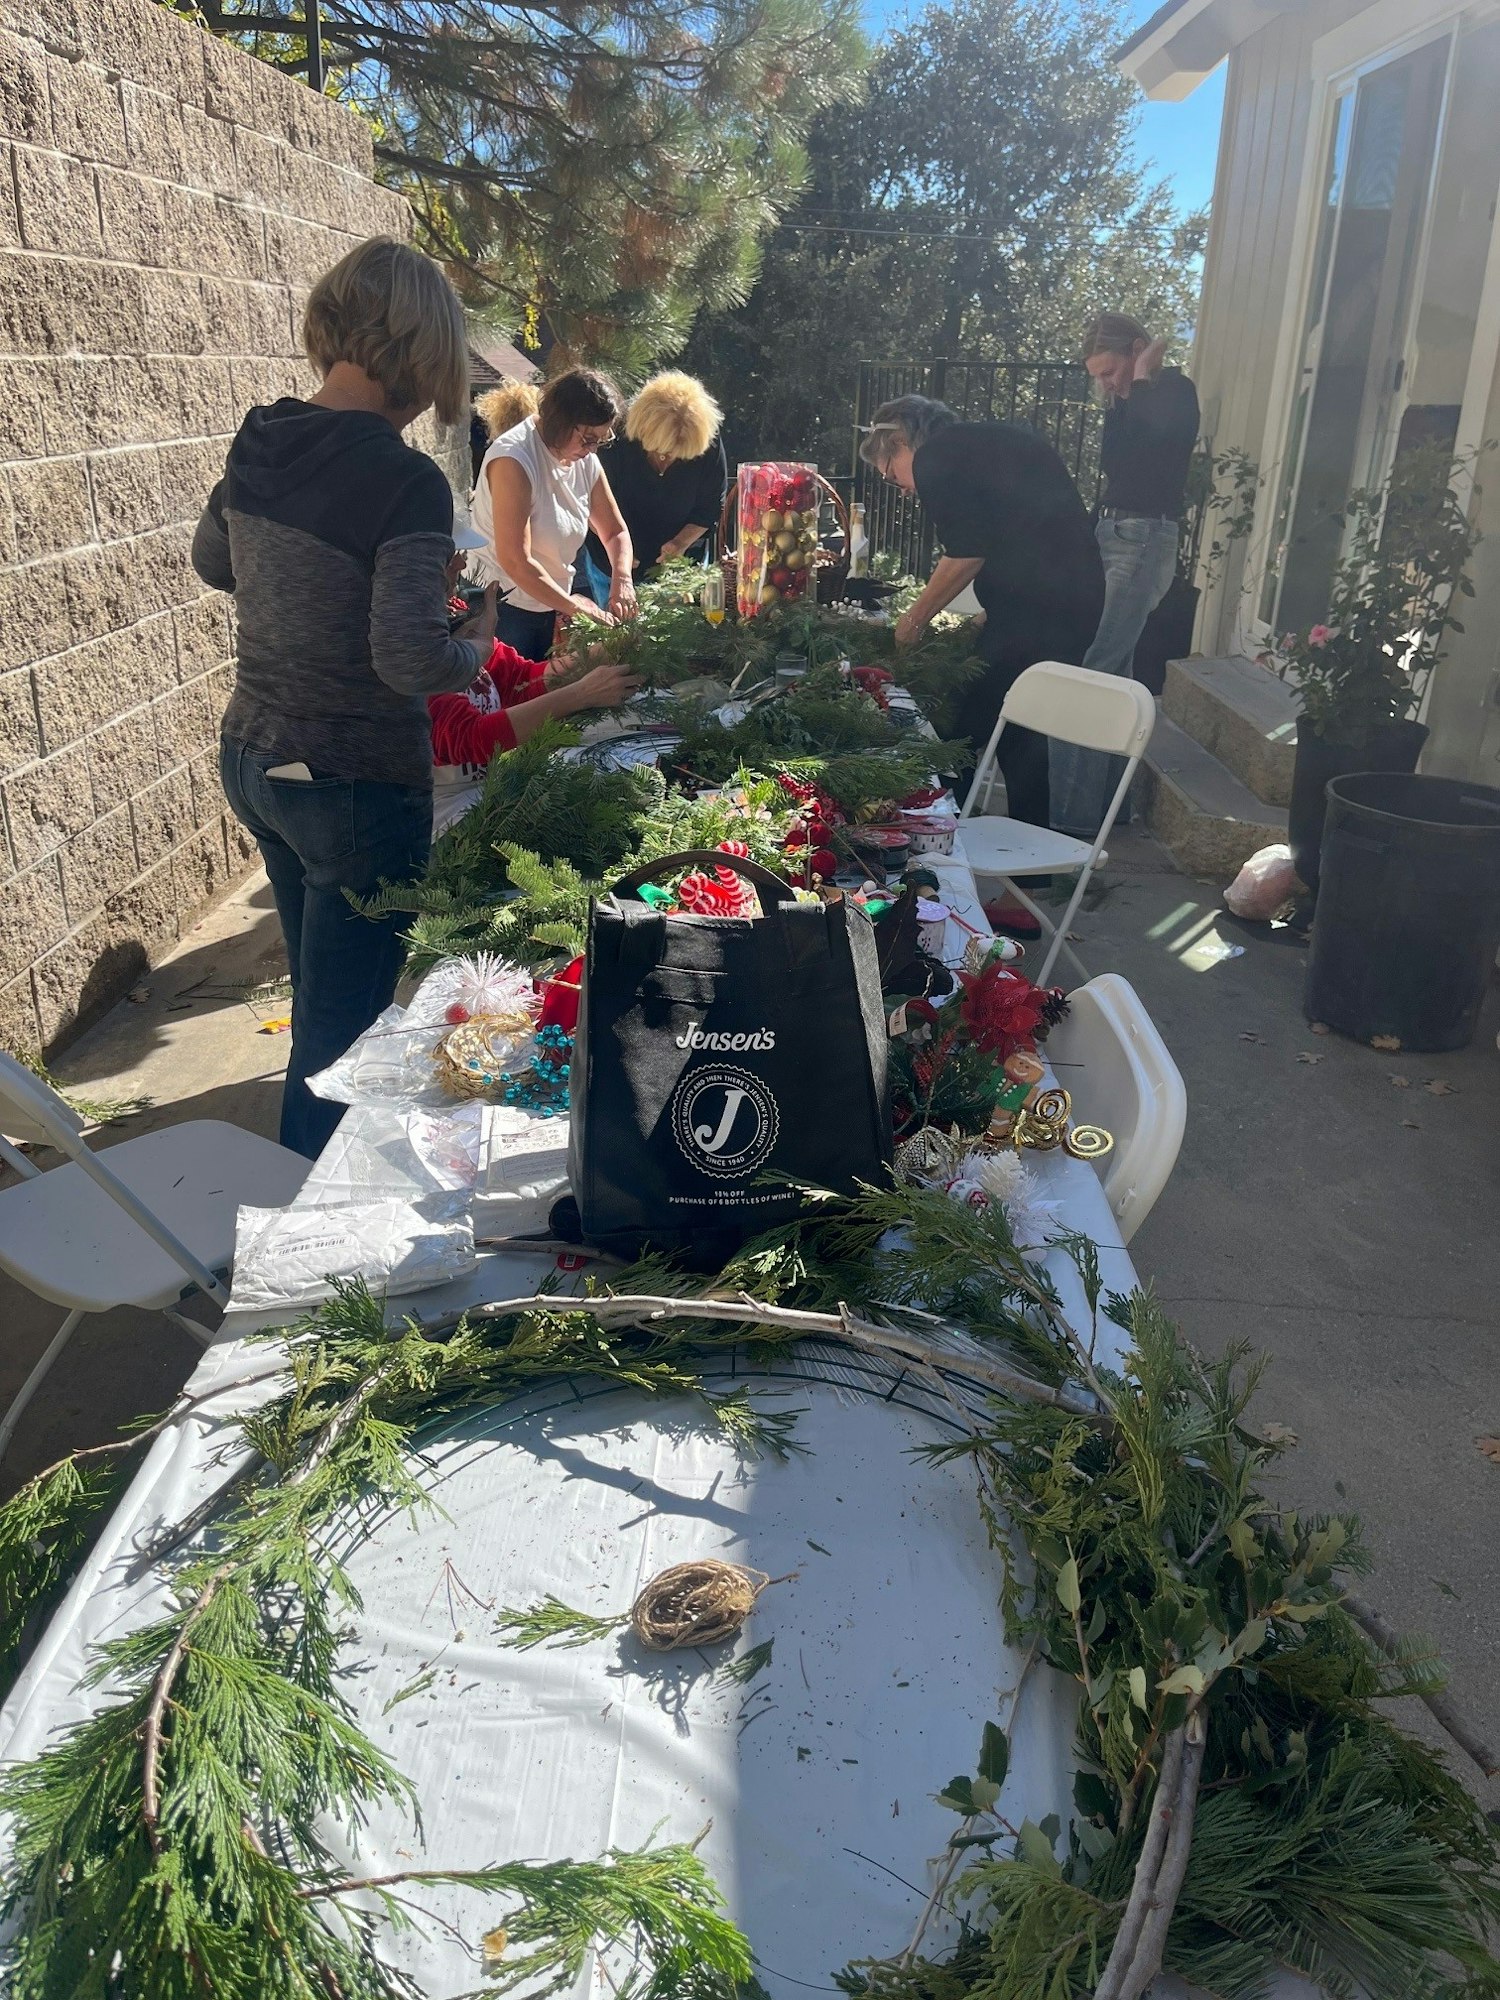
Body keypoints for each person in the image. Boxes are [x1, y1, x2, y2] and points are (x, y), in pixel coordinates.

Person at [192, 235, 494, 1160]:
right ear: (424, 355)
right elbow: (408, 656)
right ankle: (313, 1263)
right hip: (353, 781)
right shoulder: (403, 477)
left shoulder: (262, 434)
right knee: (344, 1041)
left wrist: (312, 592)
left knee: (322, 997)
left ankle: (300, 1210)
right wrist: (472, 641)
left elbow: (214, 561)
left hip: (256, 760)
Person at [861, 395, 1104, 829]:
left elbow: (966, 552)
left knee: (954, 724)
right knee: (1018, 727)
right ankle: (1030, 868)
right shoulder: (979, 443)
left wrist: (913, 620)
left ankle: (945, 841)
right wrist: (995, 612)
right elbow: (1016, 530)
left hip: (1043, 611)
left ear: (900, 441)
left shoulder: (938, 456)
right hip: (1066, 603)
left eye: (893, 476)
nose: (904, 489)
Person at [1050, 313, 1200, 839]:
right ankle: (1111, 808)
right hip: (1114, 534)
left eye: (1111, 370)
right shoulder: (1125, 403)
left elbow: (1151, 457)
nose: (1106, 383)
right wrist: (1125, 394)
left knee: (1095, 668)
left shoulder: (1176, 391)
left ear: (1138, 349)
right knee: (1115, 670)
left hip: (1143, 537)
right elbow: (1116, 463)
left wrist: (1138, 383)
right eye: (1099, 375)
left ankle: (1071, 819)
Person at [430, 544, 641, 834]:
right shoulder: (408, 647)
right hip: (442, 819)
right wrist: (580, 695)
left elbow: (520, 680)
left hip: (484, 794)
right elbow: (472, 738)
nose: (461, 563)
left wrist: (595, 655)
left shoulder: (458, 614)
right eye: (449, 554)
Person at [470, 367, 637, 661]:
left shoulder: (586, 461)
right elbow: (516, 561)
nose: (593, 449)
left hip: (552, 603)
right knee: (511, 698)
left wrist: (622, 579)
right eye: (588, 438)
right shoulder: (513, 459)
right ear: (560, 421)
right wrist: (576, 607)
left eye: (602, 439)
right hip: (503, 609)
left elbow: (614, 531)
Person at [582, 371, 728, 585]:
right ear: (642, 429)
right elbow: (587, 502)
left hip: (679, 571)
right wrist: (617, 549)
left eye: (678, 453)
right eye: (661, 450)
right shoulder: (613, 439)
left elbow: (710, 508)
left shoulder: (706, 442)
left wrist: (680, 543)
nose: (667, 458)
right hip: (608, 564)